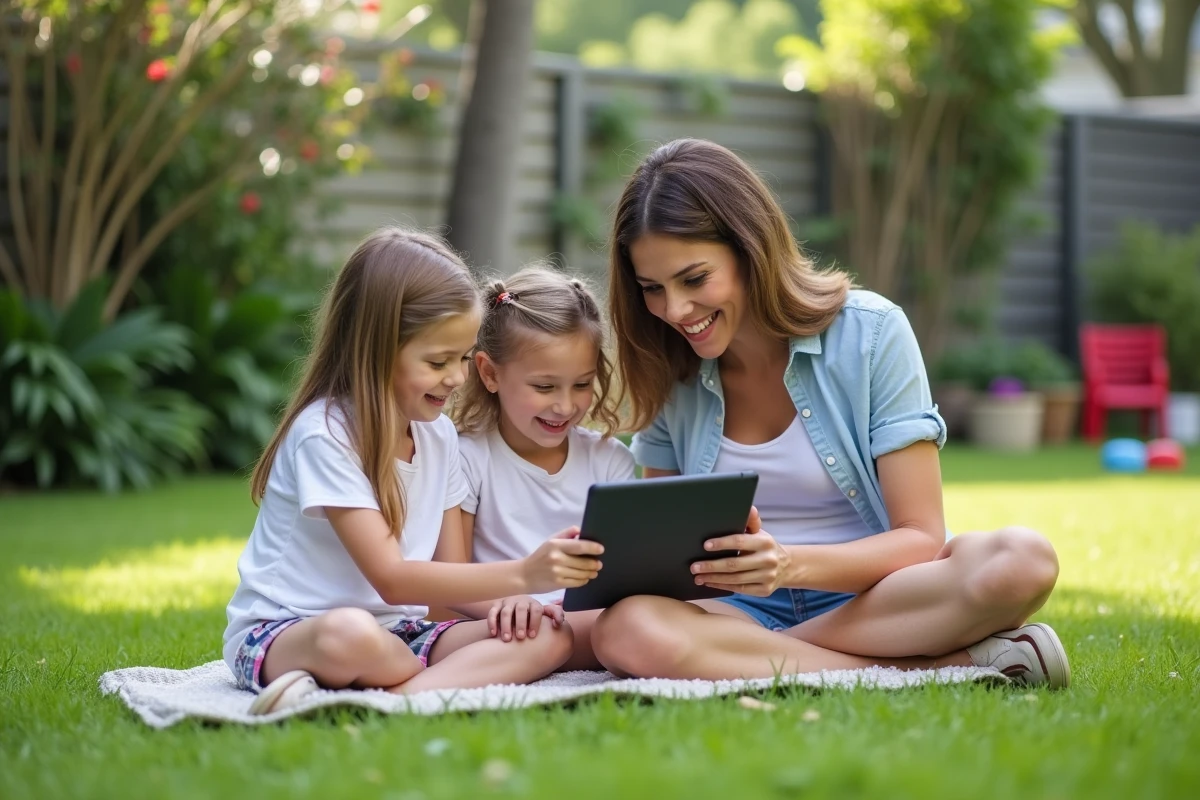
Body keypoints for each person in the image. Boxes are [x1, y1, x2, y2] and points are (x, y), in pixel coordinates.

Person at [589, 139, 1069, 688]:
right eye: (652, 288)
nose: (675, 310)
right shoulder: (666, 365)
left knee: (1021, 559)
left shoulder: (871, 332)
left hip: (879, 595)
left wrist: (786, 565)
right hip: (737, 611)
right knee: (623, 631)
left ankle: (756, 659)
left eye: (694, 279)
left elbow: (919, 537)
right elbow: (664, 567)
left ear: (750, 250)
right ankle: (940, 669)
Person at [222, 229, 604, 715]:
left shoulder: (439, 437)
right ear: (378, 349)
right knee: (350, 634)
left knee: (549, 634)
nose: (459, 378)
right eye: (438, 361)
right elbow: (394, 580)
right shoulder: (325, 434)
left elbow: (450, 573)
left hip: (400, 635)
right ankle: (410, 685)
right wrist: (523, 575)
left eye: (464, 358)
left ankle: (398, 701)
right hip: (289, 630)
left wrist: (513, 608)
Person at [452, 265, 634, 670]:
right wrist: (508, 604)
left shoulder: (610, 461)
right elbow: (449, 579)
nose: (566, 406)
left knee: (639, 619)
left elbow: (622, 581)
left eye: (582, 385)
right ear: (489, 373)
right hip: (501, 624)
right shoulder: (465, 457)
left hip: (590, 622)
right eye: (545, 387)